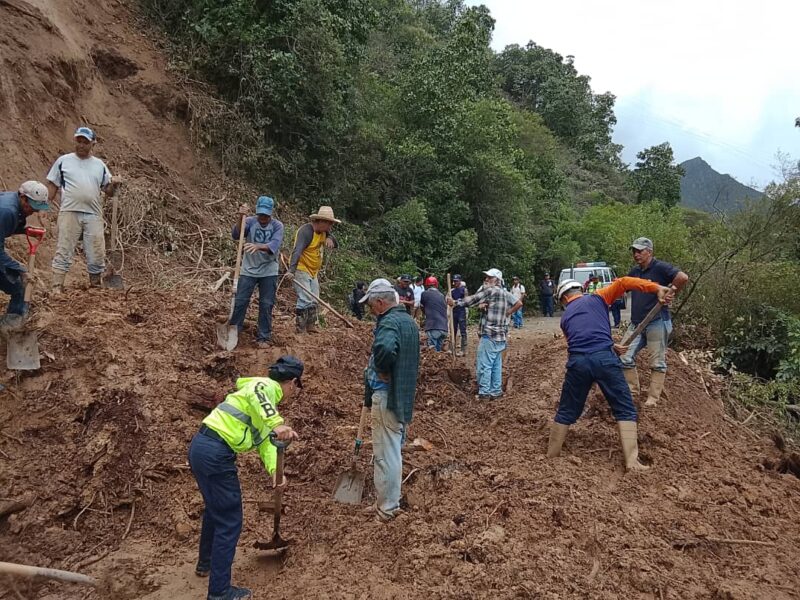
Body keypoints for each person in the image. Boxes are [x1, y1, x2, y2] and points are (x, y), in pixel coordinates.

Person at [189, 356, 303, 600]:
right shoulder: (264, 387)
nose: (293, 393)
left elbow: (265, 443)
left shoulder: (257, 404)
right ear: (292, 382)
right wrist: (277, 422)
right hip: (216, 453)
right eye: (295, 387)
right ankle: (219, 592)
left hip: (201, 447)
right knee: (230, 520)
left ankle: (205, 563)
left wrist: (276, 472)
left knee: (215, 509)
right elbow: (261, 396)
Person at [546, 278, 673, 471]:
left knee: (566, 410)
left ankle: (551, 455)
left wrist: (609, 346)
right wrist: (657, 287)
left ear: (564, 298)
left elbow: (579, 341)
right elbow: (624, 283)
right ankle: (632, 462)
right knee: (624, 408)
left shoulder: (564, 318)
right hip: (605, 360)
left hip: (578, 363)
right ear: (581, 290)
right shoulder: (598, 298)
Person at [359, 278, 420, 521]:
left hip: (386, 395)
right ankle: (385, 502)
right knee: (392, 450)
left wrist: (382, 368)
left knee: (386, 454)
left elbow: (384, 349)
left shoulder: (389, 323)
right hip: (401, 396)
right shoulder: (408, 322)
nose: (372, 311)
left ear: (381, 303)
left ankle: (387, 509)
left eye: (372, 306)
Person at [46, 126, 119, 291]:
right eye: (78, 141)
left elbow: (108, 190)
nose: (81, 145)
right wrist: (44, 207)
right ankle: (57, 287)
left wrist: (114, 184)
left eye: (85, 142)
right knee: (64, 248)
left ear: (93, 143)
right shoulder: (64, 161)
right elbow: (52, 185)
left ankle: (95, 286)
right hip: (69, 212)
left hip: (93, 214)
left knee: (96, 252)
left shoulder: (99, 165)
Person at [621, 237, 689, 408]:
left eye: (640, 251)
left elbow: (682, 277)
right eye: (634, 251)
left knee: (657, 362)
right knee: (624, 357)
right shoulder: (635, 272)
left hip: (657, 321)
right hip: (637, 323)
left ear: (649, 252)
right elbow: (623, 286)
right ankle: (632, 393)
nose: (636, 254)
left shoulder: (660, 268)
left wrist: (672, 291)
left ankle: (653, 399)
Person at [448, 269, 522, 400]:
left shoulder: (491, 291)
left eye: (490, 277)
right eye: (487, 277)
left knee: (485, 364)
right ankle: (496, 391)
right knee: (496, 365)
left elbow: (472, 300)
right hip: (500, 336)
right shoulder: (505, 293)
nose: (487, 280)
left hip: (489, 334)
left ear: (497, 280)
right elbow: (518, 302)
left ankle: (484, 393)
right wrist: (506, 313)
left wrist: (455, 303)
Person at [229, 197, 283, 348]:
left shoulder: (277, 226)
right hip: (248, 269)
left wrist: (258, 246)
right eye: (261, 215)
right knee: (240, 301)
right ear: (257, 212)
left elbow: (275, 244)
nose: (263, 218)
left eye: (266, 215)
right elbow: (236, 234)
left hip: (269, 270)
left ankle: (264, 337)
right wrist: (240, 217)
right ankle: (234, 332)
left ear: (270, 214)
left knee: (266, 304)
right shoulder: (250, 221)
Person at [0, 181, 50, 332]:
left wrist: (24, 230)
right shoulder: (7, 210)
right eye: (31, 207)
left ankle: (10, 330)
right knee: (19, 283)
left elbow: (5, 227)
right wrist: (21, 270)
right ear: (23, 197)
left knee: (19, 286)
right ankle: (10, 330)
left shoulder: (14, 205)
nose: (32, 211)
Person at [286, 205, 340, 333]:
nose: (330, 228)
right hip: (301, 268)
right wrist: (291, 270)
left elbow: (336, 243)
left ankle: (311, 325)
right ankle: (300, 328)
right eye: (329, 224)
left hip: (313, 271)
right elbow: (297, 251)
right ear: (321, 221)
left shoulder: (324, 232)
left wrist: (330, 238)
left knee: (314, 298)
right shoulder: (306, 232)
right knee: (305, 297)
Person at [419, 276, 448, 351]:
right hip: (444, 328)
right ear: (436, 285)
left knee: (432, 354)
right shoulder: (442, 295)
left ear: (427, 285)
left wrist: (425, 315)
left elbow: (422, 306)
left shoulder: (425, 294)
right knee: (439, 354)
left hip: (433, 326)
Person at [451, 274, 469, 356]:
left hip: (461, 311)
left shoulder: (464, 290)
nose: (455, 282)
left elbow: (466, 301)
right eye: (454, 281)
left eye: (457, 281)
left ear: (460, 281)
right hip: (454, 312)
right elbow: (448, 301)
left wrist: (457, 302)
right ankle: (452, 348)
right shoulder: (452, 291)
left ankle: (463, 349)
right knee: (453, 330)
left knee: (463, 331)